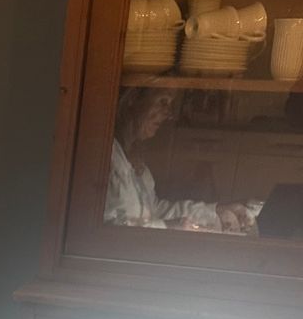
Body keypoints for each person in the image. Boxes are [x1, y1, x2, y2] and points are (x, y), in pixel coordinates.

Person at [104, 87, 254, 233]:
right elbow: (109, 230)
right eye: (162, 102)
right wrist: (167, 227)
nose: (169, 114)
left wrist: (215, 211)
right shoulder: (105, 155)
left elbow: (154, 210)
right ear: (132, 100)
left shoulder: (132, 155)